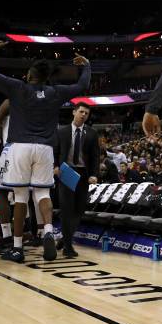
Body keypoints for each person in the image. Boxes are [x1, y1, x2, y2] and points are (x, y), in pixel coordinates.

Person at [0, 40, 90, 263]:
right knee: (41, 194)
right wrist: (86, 66)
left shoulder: (17, 88)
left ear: (29, 75)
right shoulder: (55, 92)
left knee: (21, 197)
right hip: (45, 148)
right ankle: (48, 230)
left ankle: (18, 248)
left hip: (20, 147)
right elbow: (81, 86)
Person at [54, 102, 99, 257]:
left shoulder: (92, 133)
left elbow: (95, 157)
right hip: (66, 171)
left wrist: (94, 174)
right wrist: (55, 166)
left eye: (86, 113)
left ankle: (64, 238)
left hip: (83, 174)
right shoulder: (62, 131)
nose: (83, 115)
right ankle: (68, 246)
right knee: (67, 210)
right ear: (74, 112)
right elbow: (55, 151)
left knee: (79, 210)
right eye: (81, 112)